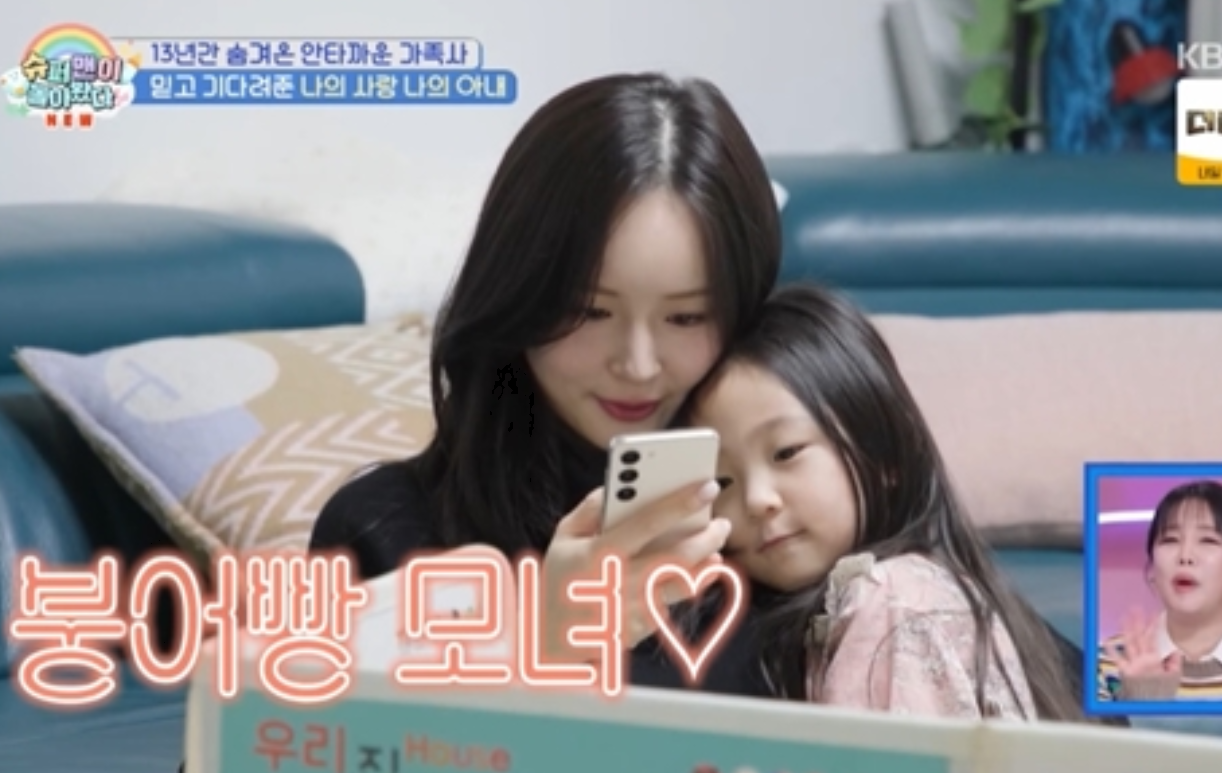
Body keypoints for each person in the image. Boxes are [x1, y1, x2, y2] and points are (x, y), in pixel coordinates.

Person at [309, 71, 1101, 706]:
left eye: (686, 316)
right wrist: (536, 644)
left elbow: (1075, 712)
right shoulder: (389, 530)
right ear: (519, 295)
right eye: (590, 311)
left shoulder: (791, 519)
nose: (638, 364)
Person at [682, 284, 1086, 720]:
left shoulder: (894, 599)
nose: (757, 499)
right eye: (721, 480)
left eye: (786, 452)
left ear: (882, 453)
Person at [1096, 481, 1222, 703]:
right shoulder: (1106, 663)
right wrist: (1142, 698)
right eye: (1170, 540)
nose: (1185, 556)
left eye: (1208, 540)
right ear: (1152, 568)